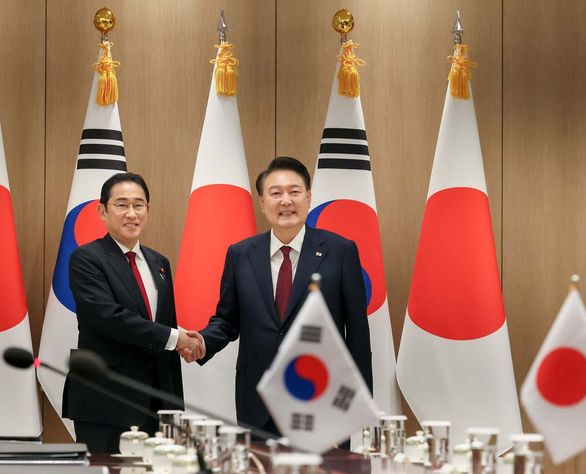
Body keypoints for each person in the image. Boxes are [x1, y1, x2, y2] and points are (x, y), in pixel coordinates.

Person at [181, 156, 373, 436]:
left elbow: (357, 333)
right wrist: (202, 342)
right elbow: (227, 321)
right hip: (258, 401)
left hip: (322, 400)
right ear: (262, 202)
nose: (286, 201)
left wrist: (359, 404)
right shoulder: (240, 254)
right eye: (275, 193)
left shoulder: (340, 251)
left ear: (308, 197)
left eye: (294, 192)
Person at [62, 172, 201, 453]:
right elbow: (108, 318)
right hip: (106, 401)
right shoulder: (86, 258)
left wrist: (175, 402)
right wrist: (175, 338)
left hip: (158, 402)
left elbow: (163, 325)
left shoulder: (159, 263)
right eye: (121, 205)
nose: (131, 213)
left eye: (139, 205)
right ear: (102, 211)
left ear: (147, 209)